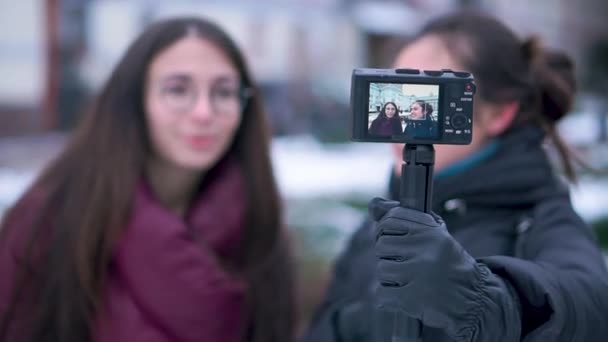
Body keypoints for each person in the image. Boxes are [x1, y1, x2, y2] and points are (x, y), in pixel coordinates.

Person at [303, 11, 608, 342]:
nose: (407, 115)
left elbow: (588, 308)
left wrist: (476, 297)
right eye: (399, 88)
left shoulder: (541, 219)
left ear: (500, 113)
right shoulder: (380, 220)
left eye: (431, 91)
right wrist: (363, 322)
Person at [0, 17, 295, 342]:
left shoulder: (257, 220)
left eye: (224, 92)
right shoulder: (54, 216)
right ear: (135, 101)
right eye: (178, 89)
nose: (203, 112)